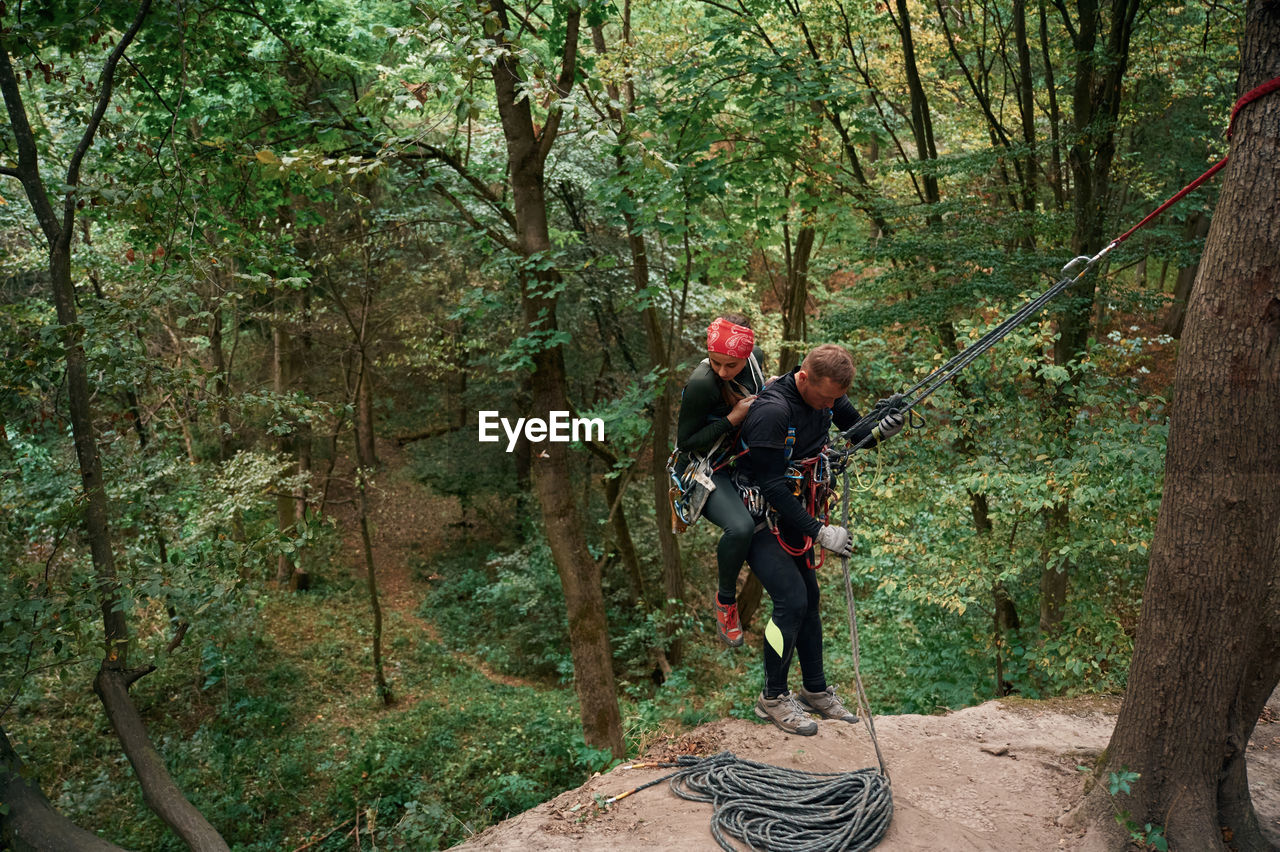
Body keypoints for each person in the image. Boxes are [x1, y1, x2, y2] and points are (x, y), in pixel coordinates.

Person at [736, 343, 904, 735]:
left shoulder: (828, 396)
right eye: (826, 397)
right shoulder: (773, 412)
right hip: (758, 515)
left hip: (795, 511)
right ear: (803, 377)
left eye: (835, 399)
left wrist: (881, 430)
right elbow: (771, 486)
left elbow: (857, 433)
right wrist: (820, 532)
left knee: (809, 599)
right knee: (791, 600)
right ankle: (772, 697)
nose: (830, 405)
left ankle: (814, 689)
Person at [675, 314, 766, 648]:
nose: (723, 372)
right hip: (706, 465)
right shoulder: (703, 383)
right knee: (740, 528)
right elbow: (686, 442)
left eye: (731, 365)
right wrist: (731, 419)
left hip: (742, 455)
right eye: (716, 362)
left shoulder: (755, 362)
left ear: (747, 356)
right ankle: (726, 603)